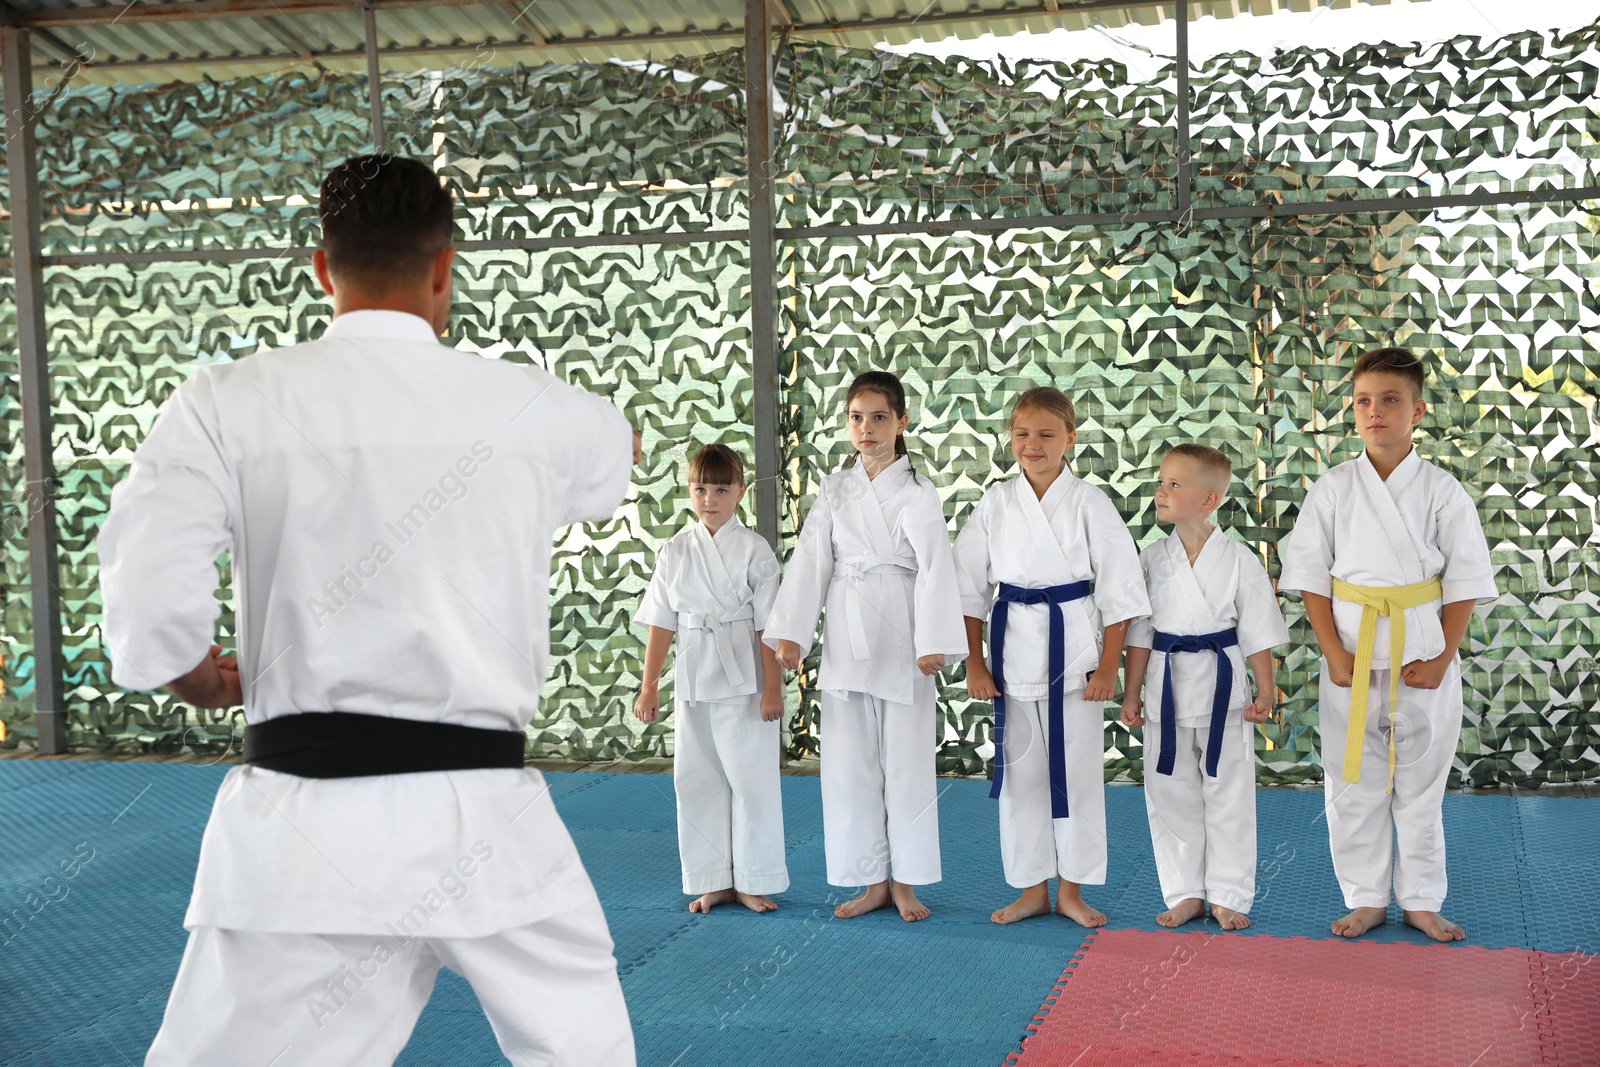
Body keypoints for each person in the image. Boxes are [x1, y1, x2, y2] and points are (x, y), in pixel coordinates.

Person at [99, 155, 639, 1066]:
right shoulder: (532, 407)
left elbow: (147, 580)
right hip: (488, 830)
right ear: (443, 268)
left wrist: (193, 670)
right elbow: (615, 450)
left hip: (305, 826)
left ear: (323, 268)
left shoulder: (228, 400)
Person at [1278, 347, 1497, 942]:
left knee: (1421, 782)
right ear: (1353, 409)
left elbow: (1466, 582)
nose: (1375, 411)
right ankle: (1367, 897)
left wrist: (1442, 657)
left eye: (1391, 399)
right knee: (1353, 780)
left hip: (1422, 652)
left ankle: (1422, 898)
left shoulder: (1443, 490)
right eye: (1364, 401)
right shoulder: (1333, 487)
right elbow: (1309, 578)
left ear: (1418, 410)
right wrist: (1334, 654)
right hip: (1350, 653)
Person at [763, 371, 967, 922]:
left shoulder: (919, 492)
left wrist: (935, 642)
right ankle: (869, 880)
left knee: (906, 768)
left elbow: (934, 570)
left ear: (902, 423)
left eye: (879, 417)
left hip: (903, 638)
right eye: (856, 417)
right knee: (850, 770)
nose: (867, 428)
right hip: (848, 639)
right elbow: (811, 562)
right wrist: (792, 633)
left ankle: (906, 882)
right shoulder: (834, 488)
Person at [954, 386, 1149, 927]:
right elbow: (968, 588)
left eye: (1045, 434)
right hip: (1011, 655)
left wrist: (1109, 666)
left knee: (1079, 775)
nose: (1032, 444)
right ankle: (1030, 889)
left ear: (1071, 438)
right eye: (1022, 434)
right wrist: (974, 661)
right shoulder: (995, 502)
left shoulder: (1090, 502)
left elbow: (1121, 591)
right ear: (1009, 439)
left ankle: (1072, 890)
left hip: (1076, 655)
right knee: (1021, 778)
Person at [1121, 444, 1289, 931]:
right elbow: (1139, 634)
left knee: (1229, 792)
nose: (1161, 491)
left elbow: (1258, 630)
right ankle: (1185, 891)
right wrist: (1131, 693)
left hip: (1223, 688)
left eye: (1175, 484)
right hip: (1165, 684)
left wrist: (1266, 689)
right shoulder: (1151, 557)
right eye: (1161, 481)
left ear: (1209, 499)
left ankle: (1229, 893)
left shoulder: (1239, 559)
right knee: (1169, 792)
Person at [633, 443, 789, 914]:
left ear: (740, 491)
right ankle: (713, 878)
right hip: (694, 678)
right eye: (700, 488)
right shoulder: (676, 549)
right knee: (696, 778)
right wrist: (649, 684)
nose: (709, 499)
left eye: (721, 489)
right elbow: (661, 621)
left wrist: (772, 688)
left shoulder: (754, 549)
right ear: (689, 490)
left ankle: (752, 879)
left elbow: (768, 625)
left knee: (751, 779)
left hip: (744, 679)